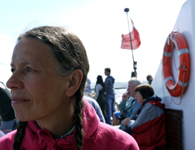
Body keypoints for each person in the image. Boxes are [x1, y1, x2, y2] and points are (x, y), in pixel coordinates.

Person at [0, 26, 139, 150]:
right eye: (13, 70)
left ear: (72, 82)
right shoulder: (4, 145)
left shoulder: (120, 146)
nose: (10, 83)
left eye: (29, 69)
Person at [122, 84, 166, 150]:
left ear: (144, 94)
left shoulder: (150, 107)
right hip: (149, 138)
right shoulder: (149, 105)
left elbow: (136, 127)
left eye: (137, 94)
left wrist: (128, 122)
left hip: (152, 143)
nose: (135, 96)